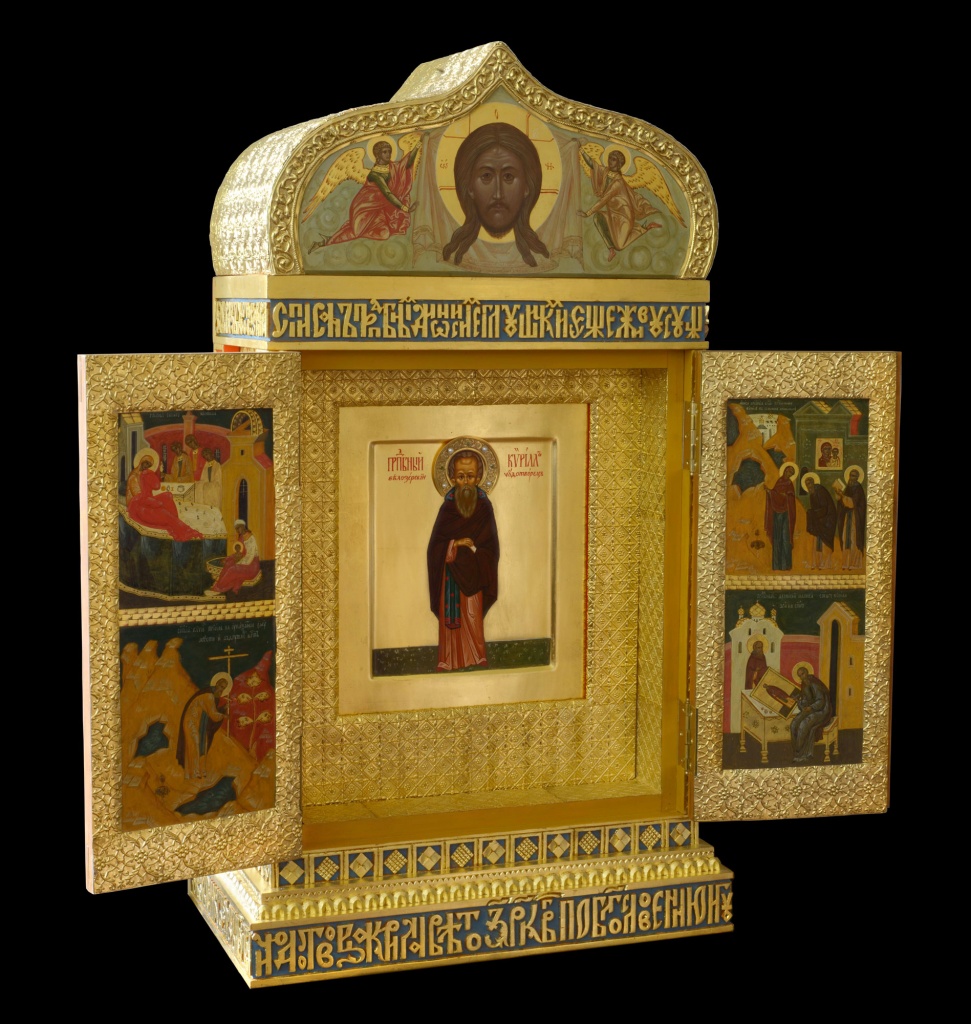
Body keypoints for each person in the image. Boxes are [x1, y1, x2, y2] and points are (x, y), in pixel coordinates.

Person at [427, 450, 500, 670]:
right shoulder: (447, 508)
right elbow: (435, 546)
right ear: (452, 478)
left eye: (470, 476)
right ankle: (448, 660)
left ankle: (476, 657)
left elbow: (491, 546)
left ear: (478, 477)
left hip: (475, 573)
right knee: (453, 617)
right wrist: (454, 544)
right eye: (461, 476)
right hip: (450, 575)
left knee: (472, 615)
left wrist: (478, 553)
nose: (466, 481)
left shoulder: (484, 507)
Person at [442, 123, 549, 268]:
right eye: (486, 176)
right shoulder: (450, 260)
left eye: (508, 177)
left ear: (527, 186)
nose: (498, 194)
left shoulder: (545, 261)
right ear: (469, 187)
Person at [308, 139, 421, 249]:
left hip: (378, 209)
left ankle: (337, 236)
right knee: (356, 232)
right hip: (365, 207)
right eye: (384, 152)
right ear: (378, 154)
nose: (388, 154)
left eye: (389, 151)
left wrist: (418, 145)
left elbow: (407, 164)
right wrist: (405, 208)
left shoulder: (392, 167)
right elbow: (387, 193)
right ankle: (324, 242)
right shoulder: (375, 174)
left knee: (384, 234)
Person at [578, 149, 662, 261]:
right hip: (612, 213)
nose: (610, 161)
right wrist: (581, 150)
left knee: (620, 246)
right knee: (598, 218)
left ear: (619, 163)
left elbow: (604, 199)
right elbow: (592, 164)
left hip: (624, 215)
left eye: (613, 159)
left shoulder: (618, 182)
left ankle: (645, 227)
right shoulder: (606, 172)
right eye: (610, 158)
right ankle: (611, 250)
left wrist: (587, 213)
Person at [125, 448, 202, 541]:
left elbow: (156, 486)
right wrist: (154, 502)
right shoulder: (134, 477)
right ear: (141, 462)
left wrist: (151, 475)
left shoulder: (146, 474)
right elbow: (139, 497)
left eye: (149, 465)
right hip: (138, 506)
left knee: (168, 496)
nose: (146, 466)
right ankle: (177, 525)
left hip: (147, 500)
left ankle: (175, 521)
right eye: (145, 463)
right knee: (163, 511)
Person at [176, 673, 232, 779]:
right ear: (216, 684)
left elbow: (211, 713)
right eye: (221, 686)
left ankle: (200, 770)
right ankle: (193, 772)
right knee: (195, 743)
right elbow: (213, 715)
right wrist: (224, 715)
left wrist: (223, 709)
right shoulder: (209, 696)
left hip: (199, 724)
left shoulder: (213, 697)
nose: (221, 690)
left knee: (203, 745)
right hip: (191, 722)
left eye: (224, 688)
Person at [205, 519, 260, 597]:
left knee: (232, 569)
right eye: (236, 529)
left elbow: (250, 557)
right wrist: (228, 559)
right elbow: (239, 552)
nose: (237, 530)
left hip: (251, 566)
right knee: (228, 563)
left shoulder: (251, 537)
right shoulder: (241, 537)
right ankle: (218, 585)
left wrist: (237, 563)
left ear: (243, 526)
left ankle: (218, 588)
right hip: (243, 561)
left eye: (239, 528)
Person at [789, 666, 833, 764]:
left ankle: (803, 755)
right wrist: (799, 701)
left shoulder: (814, 683)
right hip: (811, 710)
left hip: (822, 711)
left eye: (803, 674)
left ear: (807, 672)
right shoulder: (804, 685)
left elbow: (821, 701)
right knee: (794, 724)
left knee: (803, 725)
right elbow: (806, 701)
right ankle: (797, 752)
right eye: (800, 675)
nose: (802, 677)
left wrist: (811, 707)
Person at [764, 463, 797, 570]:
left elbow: (789, 499)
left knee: (785, 538)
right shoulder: (779, 481)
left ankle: (786, 565)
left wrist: (773, 493)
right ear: (784, 471)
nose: (788, 473)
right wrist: (770, 492)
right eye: (787, 471)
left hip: (786, 514)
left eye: (791, 472)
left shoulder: (789, 484)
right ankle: (776, 565)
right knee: (777, 538)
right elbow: (775, 494)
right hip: (776, 514)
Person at [804, 472, 837, 569]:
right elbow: (816, 509)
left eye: (810, 483)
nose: (809, 486)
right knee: (817, 542)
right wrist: (812, 513)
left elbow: (824, 509)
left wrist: (812, 513)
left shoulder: (820, 490)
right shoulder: (812, 494)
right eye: (807, 484)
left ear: (813, 482)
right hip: (819, 520)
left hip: (827, 520)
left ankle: (825, 564)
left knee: (824, 543)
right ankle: (817, 563)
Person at [837, 467, 866, 569]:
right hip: (847, 517)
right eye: (850, 475)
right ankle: (846, 563)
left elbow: (853, 503)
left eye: (853, 476)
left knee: (853, 539)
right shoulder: (848, 487)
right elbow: (843, 503)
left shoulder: (858, 488)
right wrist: (840, 497)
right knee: (846, 539)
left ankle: (854, 564)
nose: (851, 478)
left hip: (855, 517)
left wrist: (842, 496)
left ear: (857, 477)